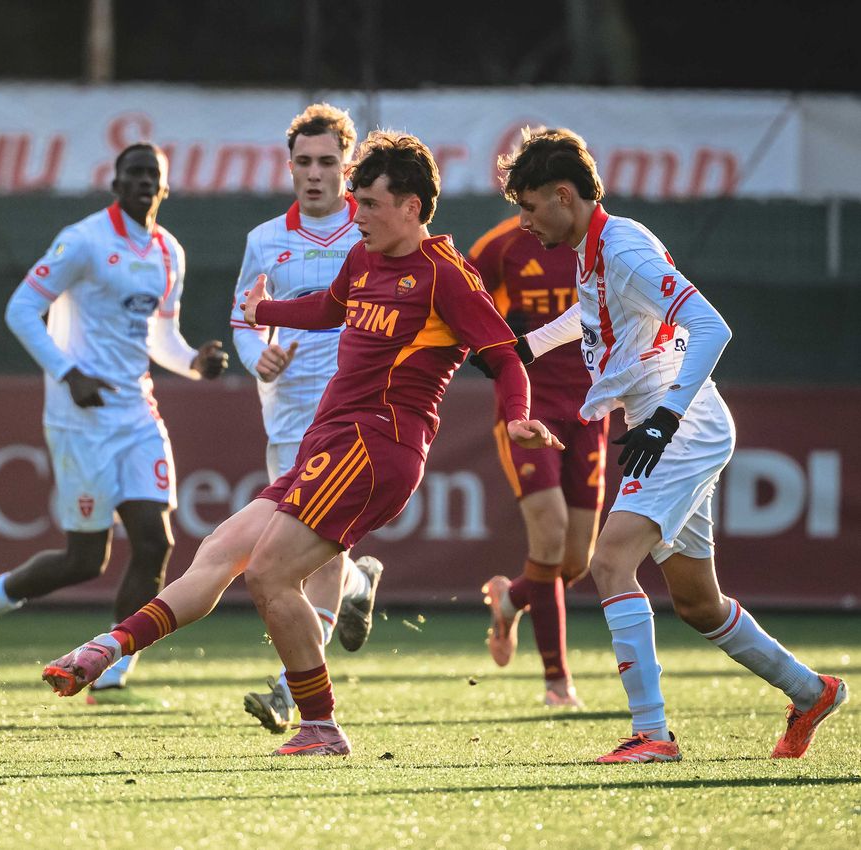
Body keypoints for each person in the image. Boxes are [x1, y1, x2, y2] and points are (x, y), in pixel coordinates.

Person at [41, 130, 563, 757]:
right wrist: (265, 314)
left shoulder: (445, 275)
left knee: (268, 574)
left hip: (379, 445)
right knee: (220, 551)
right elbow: (329, 308)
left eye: (369, 203)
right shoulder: (365, 256)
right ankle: (108, 648)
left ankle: (319, 725)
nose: (357, 214)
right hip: (330, 439)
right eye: (356, 200)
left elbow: (506, 358)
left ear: (414, 208)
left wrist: (517, 417)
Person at [499, 126, 847, 762]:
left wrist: (662, 420)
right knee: (696, 602)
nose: (523, 221)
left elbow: (711, 326)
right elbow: (591, 312)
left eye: (527, 205)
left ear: (563, 195)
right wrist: (528, 346)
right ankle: (811, 691)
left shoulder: (623, 248)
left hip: (680, 424)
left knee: (609, 564)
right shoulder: (593, 244)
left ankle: (652, 734)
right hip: (666, 421)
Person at [0, 143, 228, 692]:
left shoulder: (169, 251)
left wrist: (193, 362)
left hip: (137, 410)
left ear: (165, 188)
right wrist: (68, 373)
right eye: (134, 173)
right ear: (116, 183)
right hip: (79, 418)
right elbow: (21, 309)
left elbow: (160, 337)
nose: (144, 182)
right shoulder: (83, 240)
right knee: (84, 559)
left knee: (156, 540)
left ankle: (114, 666)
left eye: (154, 175)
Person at [229, 103, 386, 734]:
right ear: (288, 165)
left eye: (328, 162)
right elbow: (245, 316)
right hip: (288, 416)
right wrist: (256, 354)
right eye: (304, 162)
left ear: (349, 167)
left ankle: (291, 694)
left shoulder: (373, 232)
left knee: (310, 559)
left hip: (355, 418)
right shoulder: (265, 240)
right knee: (306, 562)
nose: (315, 174)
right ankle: (356, 585)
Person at [464, 217, 607, 707]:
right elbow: (461, 304)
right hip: (528, 408)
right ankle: (557, 683)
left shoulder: (602, 244)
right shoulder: (500, 246)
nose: (531, 207)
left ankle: (511, 600)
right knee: (548, 535)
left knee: (574, 563)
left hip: (590, 408)